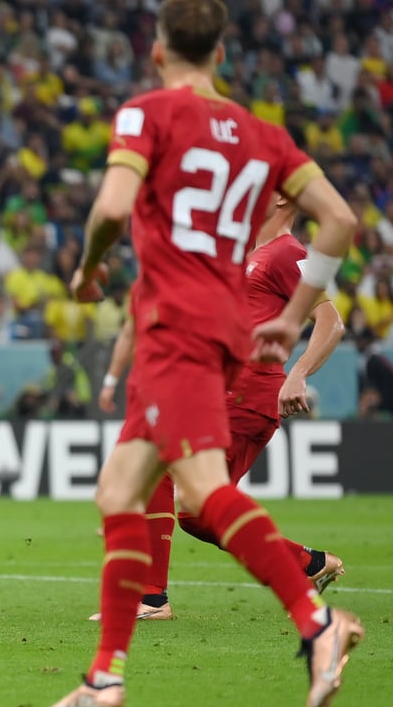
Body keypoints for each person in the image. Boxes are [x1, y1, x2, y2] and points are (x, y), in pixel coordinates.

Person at [41, 0, 364, 707]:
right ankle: (104, 678)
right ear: (222, 56)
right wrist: (287, 319)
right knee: (121, 491)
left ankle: (317, 625)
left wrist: (90, 268)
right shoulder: (264, 137)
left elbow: (112, 210)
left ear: (158, 52)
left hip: (175, 324)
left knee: (201, 495)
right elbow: (341, 219)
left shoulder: (146, 113)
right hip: (219, 331)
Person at [92, 198, 347, 624]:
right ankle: (307, 563)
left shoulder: (289, 253)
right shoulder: (246, 256)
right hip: (220, 393)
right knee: (197, 514)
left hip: (250, 395)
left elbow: (330, 322)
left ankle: (152, 599)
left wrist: (297, 374)